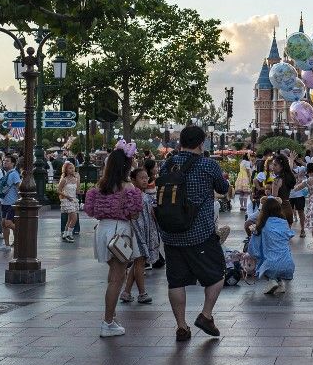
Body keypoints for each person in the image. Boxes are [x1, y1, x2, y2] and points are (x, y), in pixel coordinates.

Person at [158, 126, 228, 342]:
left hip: (170, 232)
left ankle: (181, 327)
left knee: (176, 281)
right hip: (200, 233)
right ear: (201, 142)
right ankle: (206, 316)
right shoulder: (208, 164)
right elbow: (224, 188)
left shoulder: (167, 164)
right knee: (217, 274)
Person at [84, 144, 141, 338]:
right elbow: (134, 213)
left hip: (102, 231)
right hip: (119, 232)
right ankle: (107, 322)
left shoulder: (100, 186)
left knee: (113, 275)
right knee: (118, 278)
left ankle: (112, 317)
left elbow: (90, 210)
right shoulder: (128, 187)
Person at [122, 163, 160, 304]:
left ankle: (126, 292)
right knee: (140, 262)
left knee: (138, 262)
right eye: (141, 178)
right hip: (138, 233)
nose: (145, 180)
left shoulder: (144, 194)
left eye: (146, 177)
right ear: (133, 180)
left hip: (145, 232)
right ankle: (142, 293)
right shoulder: (133, 194)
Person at [248, 196, 295, 295]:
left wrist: (254, 233)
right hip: (288, 264)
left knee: (261, 260)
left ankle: (271, 280)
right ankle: (281, 284)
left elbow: (253, 249)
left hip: (271, 265)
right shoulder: (284, 223)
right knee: (277, 257)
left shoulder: (262, 226)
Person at [0, 155, 21, 252]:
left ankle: (22, 232)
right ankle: (7, 246)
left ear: (13, 163)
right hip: (5, 202)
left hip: (12, 203)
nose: (5, 162)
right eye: (4, 161)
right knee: (3, 224)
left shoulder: (14, 174)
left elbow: (18, 187)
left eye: (7, 161)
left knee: (8, 223)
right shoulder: (7, 173)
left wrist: (20, 200)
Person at [58, 161, 81, 243]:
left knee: (69, 219)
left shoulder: (75, 179)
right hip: (67, 200)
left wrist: (79, 181)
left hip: (74, 200)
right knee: (74, 218)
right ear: (66, 170)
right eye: (70, 168)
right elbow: (58, 190)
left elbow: (77, 191)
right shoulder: (64, 180)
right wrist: (66, 196)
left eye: (73, 168)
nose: (72, 169)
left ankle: (65, 234)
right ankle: (69, 234)